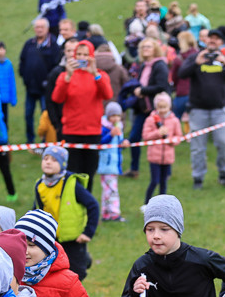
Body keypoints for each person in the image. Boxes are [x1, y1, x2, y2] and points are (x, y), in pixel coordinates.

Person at [179, 29, 225, 188]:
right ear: (205, 40)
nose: (212, 41)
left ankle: (224, 174)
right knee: (197, 148)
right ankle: (198, 178)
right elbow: (181, 74)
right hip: (198, 110)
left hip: (220, 111)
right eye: (210, 38)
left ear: (221, 42)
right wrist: (196, 63)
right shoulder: (195, 57)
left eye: (216, 39)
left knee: (224, 144)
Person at [52, 40, 113, 193]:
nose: (82, 58)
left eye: (86, 55)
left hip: (92, 132)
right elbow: (57, 98)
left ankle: (87, 204)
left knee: (89, 173)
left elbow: (108, 94)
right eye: (78, 54)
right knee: (72, 174)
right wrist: (68, 77)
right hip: (71, 132)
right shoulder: (65, 75)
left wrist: (95, 74)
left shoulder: (100, 75)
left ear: (92, 56)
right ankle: (72, 204)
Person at [32, 145, 100, 280]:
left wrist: (88, 232)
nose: (48, 162)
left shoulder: (72, 184)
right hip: (51, 239)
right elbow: (36, 211)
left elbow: (93, 205)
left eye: (54, 160)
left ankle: (85, 260)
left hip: (73, 239)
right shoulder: (40, 185)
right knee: (53, 273)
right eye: (45, 158)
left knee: (77, 273)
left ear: (63, 164)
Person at [127, 37, 171, 180]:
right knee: (134, 137)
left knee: (162, 138)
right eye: (143, 47)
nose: (145, 49)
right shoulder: (144, 66)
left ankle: (166, 172)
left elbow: (162, 86)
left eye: (148, 46)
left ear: (155, 49)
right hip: (143, 109)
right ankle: (134, 169)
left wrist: (143, 91)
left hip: (158, 109)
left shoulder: (160, 65)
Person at [142, 92, 182, 202]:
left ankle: (162, 205)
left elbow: (178, 137)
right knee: (154, 181)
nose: (162, 110)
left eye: (165, 107)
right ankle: (147, 203)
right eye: (160, 107)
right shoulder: (150, 120)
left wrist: (170, 140)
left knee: (164, 182)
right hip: (154, 157)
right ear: (156, 107)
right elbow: (145, 136)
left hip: (167, 157)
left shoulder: (174, 121)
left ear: (169, 106)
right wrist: (158, 133)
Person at [99, 102, 126, 222]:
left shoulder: (119, 127)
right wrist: (110, 134)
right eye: (113, 115)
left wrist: (124, 142)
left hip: (115, 164)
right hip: (106, 164)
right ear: (108, 116)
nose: (116, 118)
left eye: (118, 116)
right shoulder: (104, 128)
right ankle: (114, 214)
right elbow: (101, 142)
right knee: (112, 190)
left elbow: (119, 143)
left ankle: (106, 213)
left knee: (107, 190)